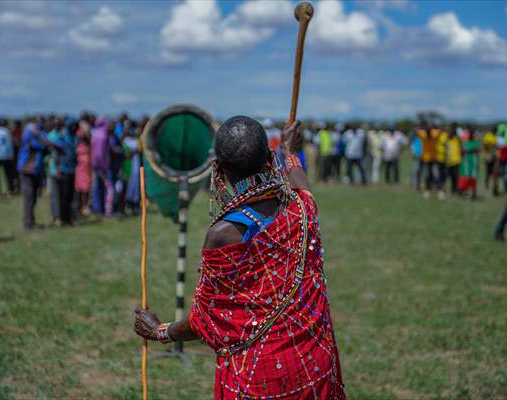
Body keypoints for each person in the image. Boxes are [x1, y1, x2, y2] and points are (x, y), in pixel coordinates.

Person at [134, 117, 345, 399]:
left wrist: (159, 331)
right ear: (270, 159)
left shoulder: (223, 234)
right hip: (316, 369)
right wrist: (290, 151)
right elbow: (300, 183)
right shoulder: (303, 210)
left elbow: (205, 320)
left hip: (260, 380)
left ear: (217, 168)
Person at [17, 119, 55, 230]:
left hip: (35, 169)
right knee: (29, 197)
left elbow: (45, 142)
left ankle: (31, 221)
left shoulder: (36, 132)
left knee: (33, 197)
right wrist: (50, 145)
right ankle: (28, 223)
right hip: (26, 169)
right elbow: (42, 144)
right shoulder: (29, 133)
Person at [55, 121, 77, 225]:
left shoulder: (73, 137)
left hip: (72, 170)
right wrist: (57, 169)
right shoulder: (62, 137)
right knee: (62, 196)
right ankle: (62, 218)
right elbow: (57, 154)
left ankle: (68, 218)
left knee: (70, 196)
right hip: (63, 170)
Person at [91, 117, 114, 217]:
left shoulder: (95, 133)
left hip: (96, 165)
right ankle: (107, 210)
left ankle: (98, 209)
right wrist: (101, 167)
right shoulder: (103, 135)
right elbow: (99, 154)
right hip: (102, 166)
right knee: (108, 188)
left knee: (97, 188)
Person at [0, 118, 15, 195]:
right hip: (5, 156)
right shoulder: (5, 131)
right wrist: (11, 156)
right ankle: (10, 189)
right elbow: (9, 144)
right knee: (8, 174)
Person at [75, 119, 92, 217]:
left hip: (87, 165)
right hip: (80, 165)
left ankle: (84, 206)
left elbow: (90, 139)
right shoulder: (78, 136)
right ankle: (81, 207)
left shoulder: (88, 138)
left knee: (86, 186)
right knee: (80, 187)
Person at [458, 126, 480, 199]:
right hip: (466, 163)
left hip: (473, 163)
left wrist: (467, 150)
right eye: (469, 133)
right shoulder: (465, 142)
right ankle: (463, 192)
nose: (470, 135)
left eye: (472, 133)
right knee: (465, 178)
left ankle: (473, 193)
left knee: (473, 178)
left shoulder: (476, 142)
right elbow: (462, 151)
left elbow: (476, 150)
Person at [445, 124, 462, 195]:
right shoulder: (447, 140)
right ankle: (452, 189)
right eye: (449, 132)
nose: (450, 134)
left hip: (456, 161)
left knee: (457, 177)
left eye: (451, 132)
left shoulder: (456, 139)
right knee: (451, 177)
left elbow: (461, 146)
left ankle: (457, 190)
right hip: (449, 162)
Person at [482, 126, 498, 195]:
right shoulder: (487, 136)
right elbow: (484, 145)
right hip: (488, 157)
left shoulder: (497, 137)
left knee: (495, 172)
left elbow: (498, 146)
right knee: (487, 173)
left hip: (495, 157)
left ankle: (495, 188)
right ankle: (486, 186)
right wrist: (490, 148)